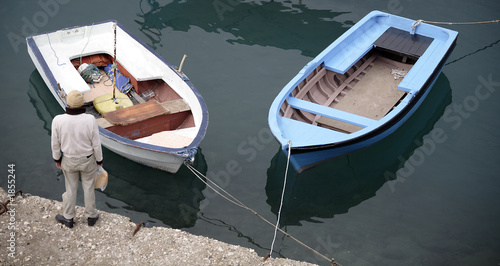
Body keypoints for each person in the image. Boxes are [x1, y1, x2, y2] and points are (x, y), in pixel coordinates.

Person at [51, 90, 103, 228]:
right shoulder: (90, 120)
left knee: (70, 189)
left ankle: (68, 218)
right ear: (82, 105)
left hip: (68, 160)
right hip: (88, 160)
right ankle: (91, 216)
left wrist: (57, 159)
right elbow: (96, 144)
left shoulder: (58, 120)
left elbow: (55, 144)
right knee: (89, 187)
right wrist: (99, 160)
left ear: (67, 103)